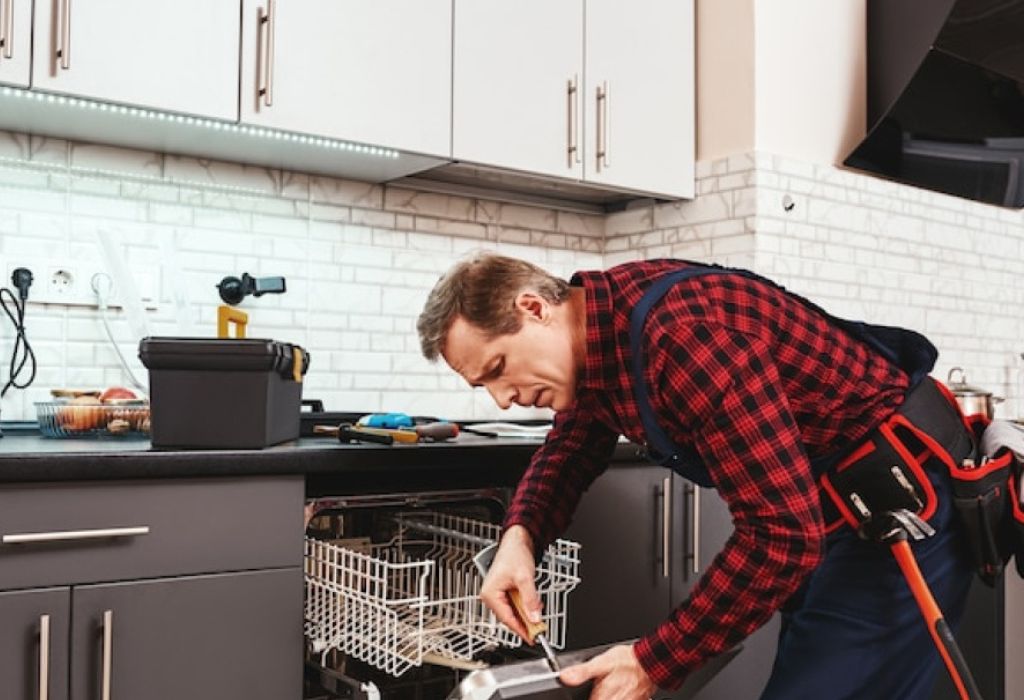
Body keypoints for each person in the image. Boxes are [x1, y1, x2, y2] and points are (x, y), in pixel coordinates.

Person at [416, 253, 976, 700]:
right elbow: (569, 449)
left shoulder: (682, 338)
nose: (503, 400)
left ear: (534, 307)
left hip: (897, 512)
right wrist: (520, 538)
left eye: (498, 369)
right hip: (826, 513)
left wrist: (651, 662)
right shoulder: (599, 338)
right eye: (482, 387)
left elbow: (783, 535)